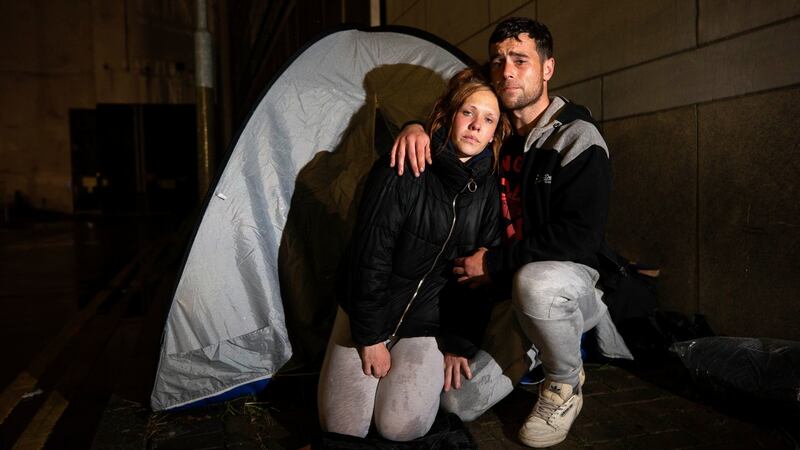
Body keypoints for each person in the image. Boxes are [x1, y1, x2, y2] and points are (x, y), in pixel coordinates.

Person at [390, 17, 632, 448]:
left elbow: (580, 239)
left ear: (548, 69)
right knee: (455, 402)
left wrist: (496, 262)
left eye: (521, 60)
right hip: (504, 289)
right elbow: (455, 115)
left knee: (535, 284)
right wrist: (414, 127)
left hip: (565, 284)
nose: (507, 71)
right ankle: (535, 342)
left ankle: (563, 380)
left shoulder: (577, 137)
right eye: (499, 60)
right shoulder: (495, 132)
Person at [317, 67, 511, 441]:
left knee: (400, 426)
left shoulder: (489, 189)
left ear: (495, 132)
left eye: (488, 119)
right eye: (468, 112)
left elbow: (476, 276)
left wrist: (456, 344)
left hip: (426, 322)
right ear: (449, 115)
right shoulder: (405, 164)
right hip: (368, 311)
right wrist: (370, 338)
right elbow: (369, 255)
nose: (475, 126)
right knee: (344, 430)